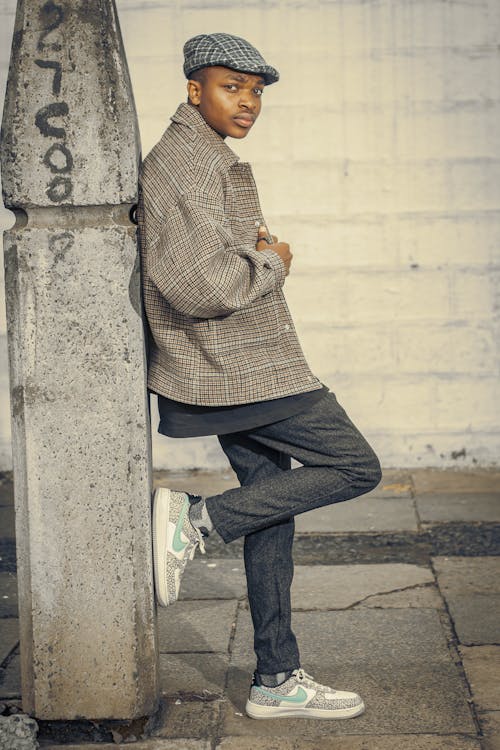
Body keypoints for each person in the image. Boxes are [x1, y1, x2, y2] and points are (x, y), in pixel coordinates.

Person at [137, 32, 381, 720]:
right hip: (239, 368)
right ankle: (196, 519)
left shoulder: (207, 156)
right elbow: (195, 284)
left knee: (272, 503)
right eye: (230, 87)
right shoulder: (186, 166)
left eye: (256, 91)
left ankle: (276, 677)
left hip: (238, 362)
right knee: (357, 466)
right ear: (194, 90)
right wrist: (273, 260)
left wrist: (260, 253)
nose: (247, 103)